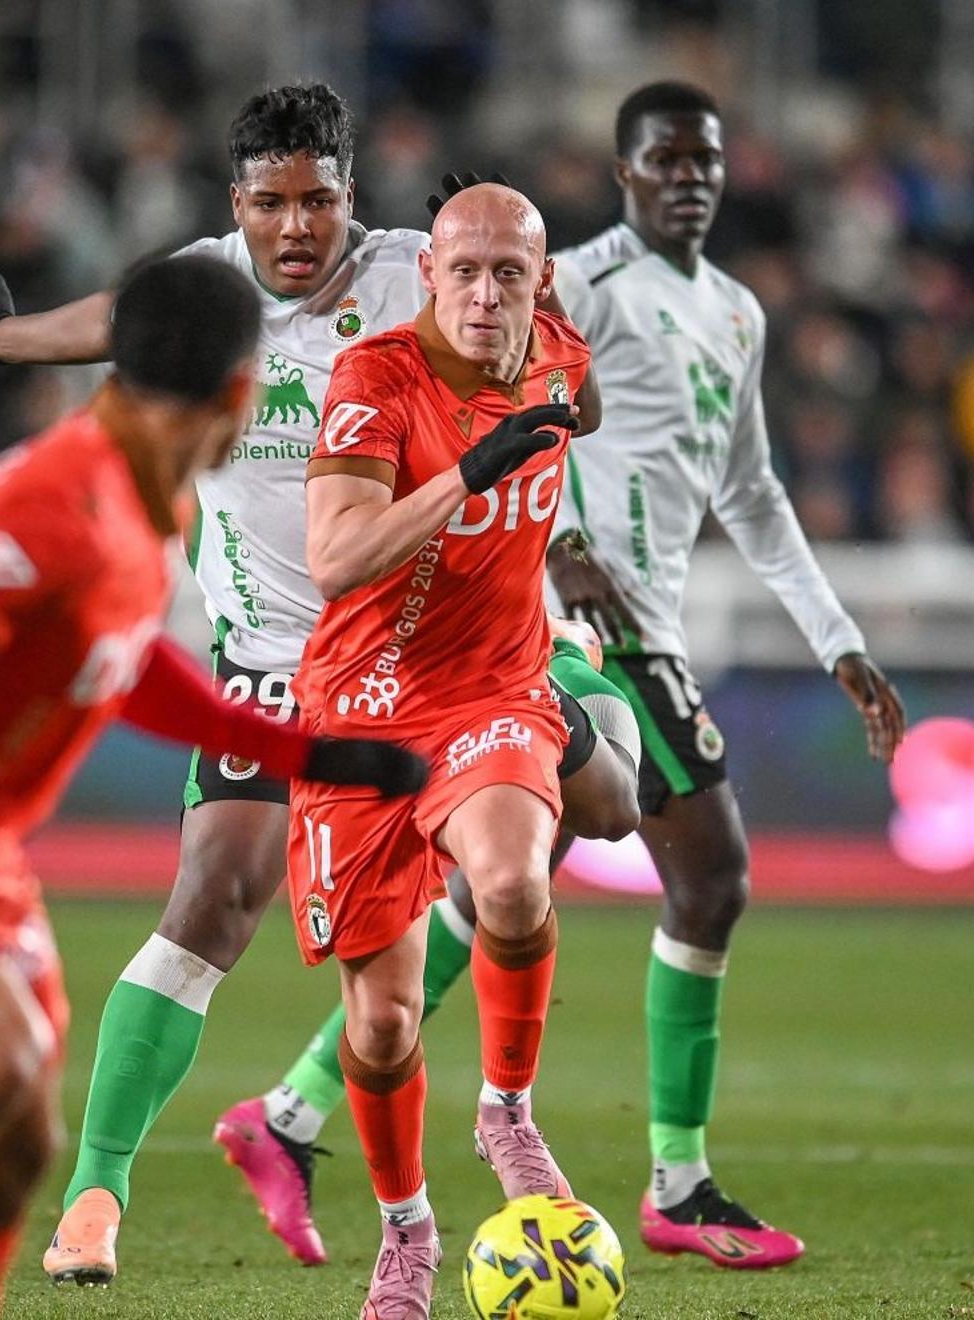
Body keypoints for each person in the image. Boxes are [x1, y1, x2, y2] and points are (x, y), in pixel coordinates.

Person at [0, 83, 631, 1283]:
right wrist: (6, 339)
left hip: (447, 654)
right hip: (280, 666)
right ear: (238, 207)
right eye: (271, 203)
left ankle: (383, 1088)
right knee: (214, 898)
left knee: (604, 808)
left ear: (350, 197)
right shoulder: (208, 292)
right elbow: (121, 322)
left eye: (318, 198)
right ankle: (99, 1191)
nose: (297, 227)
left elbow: (537, 315)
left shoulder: (418, 272)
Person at [0, 253, 425, 1320]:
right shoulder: (56, 507)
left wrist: (309, 756)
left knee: (19, 1131)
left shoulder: (134, 490)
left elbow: (125, 658)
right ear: (243, 392)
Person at [543, 81, 907, 1267]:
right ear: (624, 171)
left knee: (511, 881)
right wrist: (562, 544)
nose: (690, 176)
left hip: (652, 623)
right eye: (666, 159)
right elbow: (493, 408)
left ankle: (286, 1114)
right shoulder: (575, 282)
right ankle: (679, 1184)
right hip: (575, 624)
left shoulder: (740, 314)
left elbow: (753, 495)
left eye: (706, 160)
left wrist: (838, 639)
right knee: (711, 879)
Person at [289, 180, 590, 1318]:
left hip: (493, 688)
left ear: (540, 283)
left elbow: (583, 407)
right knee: (381, 1023)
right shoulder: (376, 380)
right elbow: (337, 558)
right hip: (362, 708)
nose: (483, 293)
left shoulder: (561, 358)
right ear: (426, 278)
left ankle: (507, 1110)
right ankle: (406, 1229)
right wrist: (473, 469)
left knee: (511, 883)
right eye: (462, 270)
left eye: (508, 272)